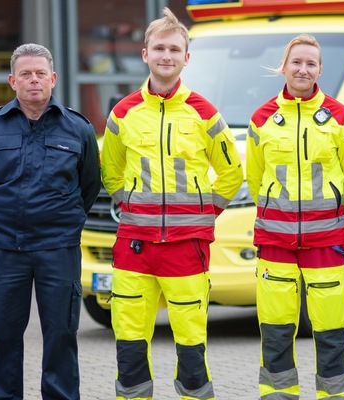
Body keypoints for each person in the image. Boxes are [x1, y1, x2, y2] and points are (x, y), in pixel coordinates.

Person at [100, 8, 243, 400]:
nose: (166, 55)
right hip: (134, 248)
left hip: (186, 247)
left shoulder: (205, 113)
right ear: (144, 54)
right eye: (159, 48)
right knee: (129, 347)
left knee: (191, 349)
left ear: (186, 57)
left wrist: (202, 213)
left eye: (174, 49)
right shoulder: (123, 113)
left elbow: (232, 175)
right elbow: (110, 173)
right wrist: (131, 206)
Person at [0, 43, 101, 400]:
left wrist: (62, 220)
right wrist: (3, 219)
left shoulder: (78, 129)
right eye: (25, 74)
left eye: (40, 73)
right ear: (13, 81)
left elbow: (89, 185)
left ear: (53, 78)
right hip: (5, 249)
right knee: (4, 333)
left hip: (58, 248)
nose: (34, 80)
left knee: (61, 333)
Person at [245, 33, 344, 399]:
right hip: (275, 242)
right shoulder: (262, 118)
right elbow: (255, 175)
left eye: (311, 63)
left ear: (320, 69)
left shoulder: (341, 119)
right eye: (296, 61)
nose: (303, 68)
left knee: (330, 332)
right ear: (284, 66)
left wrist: (337, 219)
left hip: (326, 240)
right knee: (276, 331)